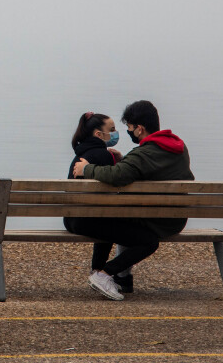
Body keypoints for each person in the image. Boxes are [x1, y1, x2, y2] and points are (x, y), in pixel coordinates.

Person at [71, 100, 194, 300]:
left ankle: (103, 273)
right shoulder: (177, 147)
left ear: (139, 129)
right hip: (175, 217)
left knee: (123, 225)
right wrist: (124, 161)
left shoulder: (144, 153)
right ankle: (122, 279)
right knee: (120, 220)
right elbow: (149, 166)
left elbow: (117, 176)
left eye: (128, 127)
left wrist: (87, 169)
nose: (127, 131)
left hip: (155, 220)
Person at [63, 112, 136, 292]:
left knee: (107, 219)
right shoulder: (103, 156)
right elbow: (117, 187)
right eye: (111, 130)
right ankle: (104, 273)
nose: (115, 133)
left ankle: (97, 269)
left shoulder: (81, 153)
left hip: (71, 220)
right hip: (87, 221)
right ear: (98, 134)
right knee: (141, 237)